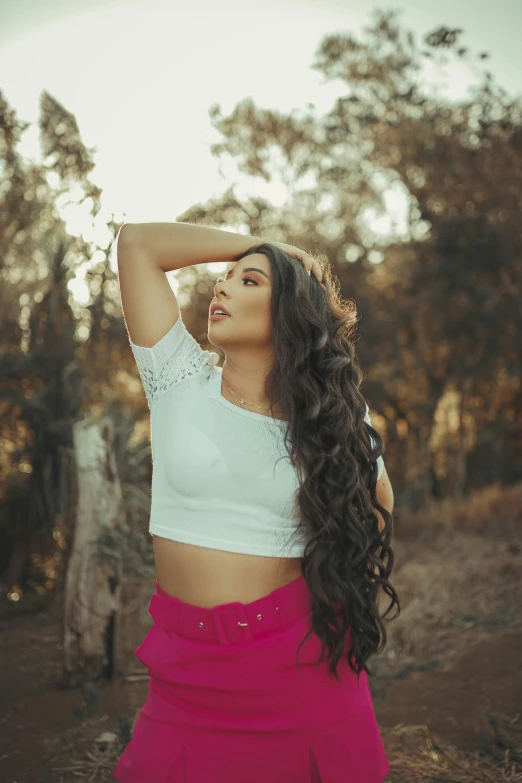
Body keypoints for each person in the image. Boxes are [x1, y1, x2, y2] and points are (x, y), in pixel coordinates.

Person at [112, 221, 399, 782]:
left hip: (300, 664)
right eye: (224, 279)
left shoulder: (332, 422)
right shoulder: (177, 381)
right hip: (184, 675)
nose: (221, 288)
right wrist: (274, 249)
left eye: (248, 281)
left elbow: (378, 505)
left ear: (291, 311)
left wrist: (334, 575)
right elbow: (137, 245)